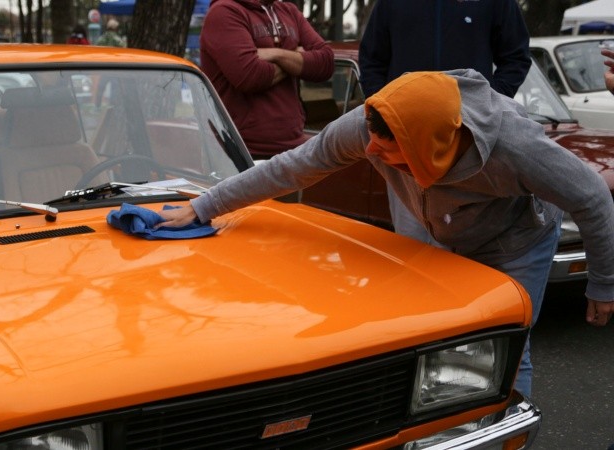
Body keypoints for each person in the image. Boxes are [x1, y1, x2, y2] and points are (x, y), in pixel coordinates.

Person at [157, 69, 614, 398]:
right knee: (431, 336)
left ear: (428, 147)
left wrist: (602, 283)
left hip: (515, 240)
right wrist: (205, 206)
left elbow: (592, 198)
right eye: (370, 143)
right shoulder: (368, 126)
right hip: (435, 226)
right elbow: (291, 167)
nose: (371, 153)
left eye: (387, 150)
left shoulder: (517, 147)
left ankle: (502, 427)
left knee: (505, 343)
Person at [359, 0, 532, 248]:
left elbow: (516, 57)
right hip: (403, 141)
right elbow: (372, 60)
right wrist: (385, 111)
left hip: (467, 139)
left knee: (460, 246)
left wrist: (486, 103)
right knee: (410, 243)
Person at [200, 0, 334, 159]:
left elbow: (326, 63)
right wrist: (298, 57)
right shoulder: (224, 12)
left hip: (294, 148)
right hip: (241, 152)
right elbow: (250, 75)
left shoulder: (289, 11)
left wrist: (276, 54)